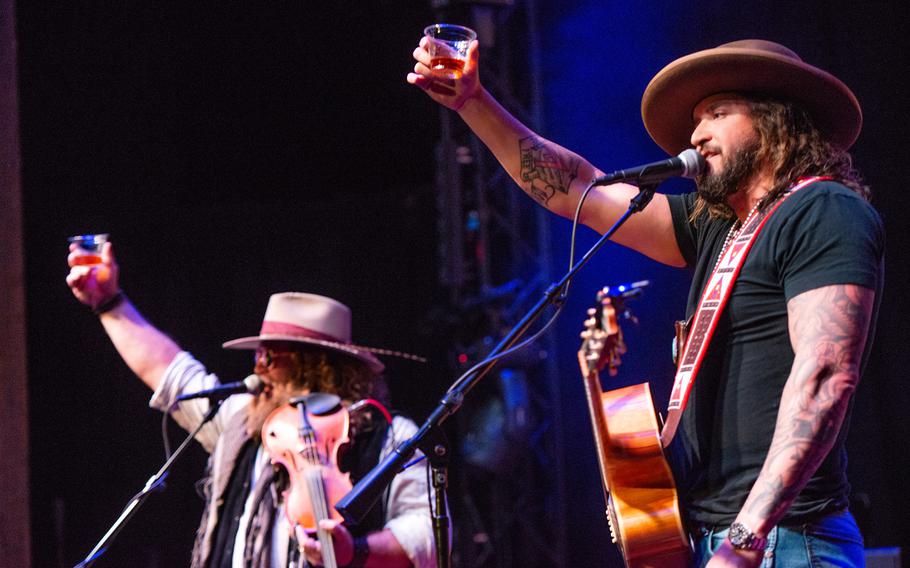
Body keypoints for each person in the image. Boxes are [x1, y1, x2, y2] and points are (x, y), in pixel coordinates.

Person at [409, 37, 883, 567]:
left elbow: (826, 375)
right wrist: (474, 101)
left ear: (777, 122)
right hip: (719, 538)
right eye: (695, 121)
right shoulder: (715, 228)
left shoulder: (823, 209)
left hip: (785, 539)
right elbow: (577, 188)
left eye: (717, 114)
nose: (697, 135)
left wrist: (747, 536)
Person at [67, 244, 436, 568]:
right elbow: (169, 372)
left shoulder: (390, 437)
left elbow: (424, 538)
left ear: (318, 365)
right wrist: (110, 303)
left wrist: (352, 551)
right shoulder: (242, 420)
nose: (257, 364)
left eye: (271, 354)